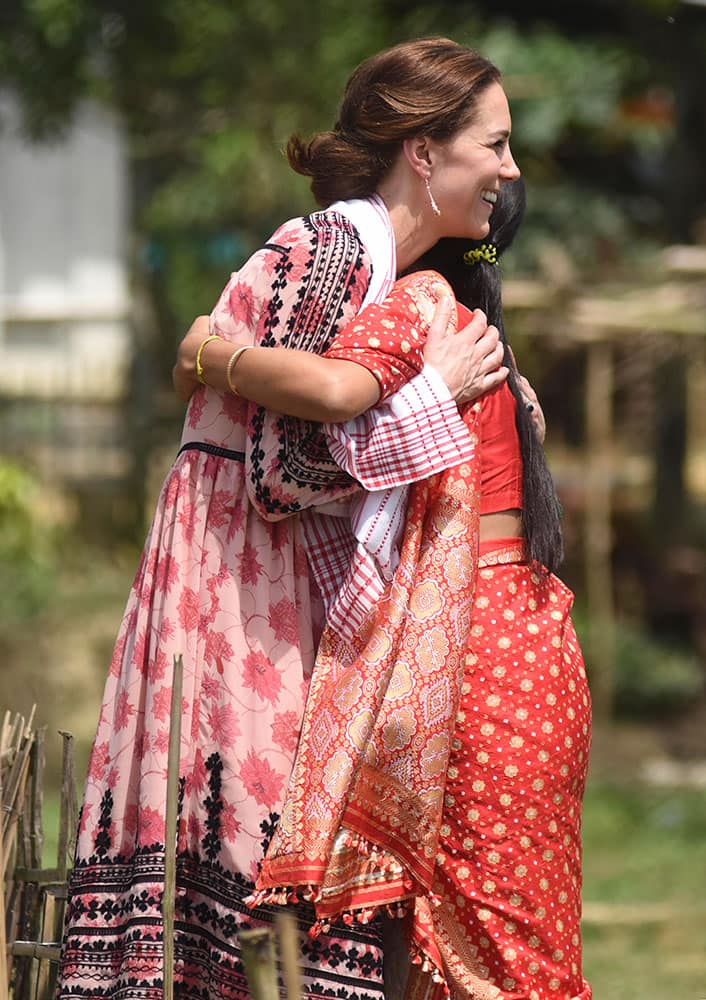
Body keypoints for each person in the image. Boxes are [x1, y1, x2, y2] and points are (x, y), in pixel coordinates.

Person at [57, 37, 521, 1000]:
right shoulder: (340, 249)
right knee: (252, 869)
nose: (512, 169)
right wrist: (435, 395)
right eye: (498, 143)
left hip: (252, 573)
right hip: (240, 589)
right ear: (424, 153)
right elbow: (280, 468)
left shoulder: (373, 263)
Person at [246, 177, 592, 1000]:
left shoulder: (418, 305)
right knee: (522, 937)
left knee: (493, 950)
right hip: (535, 640)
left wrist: (212, 357)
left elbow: (329, 398)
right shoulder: (491, 346)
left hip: (474, 649)